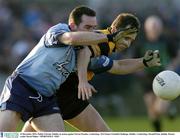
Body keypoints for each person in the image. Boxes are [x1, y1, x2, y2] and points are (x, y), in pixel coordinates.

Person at [21, 13, 161, 132]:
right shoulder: (102, 39)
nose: (127, 44)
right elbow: (84, 51)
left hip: (70, 94)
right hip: (59, 90)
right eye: (126, 38)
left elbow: (118, 66)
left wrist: (143, 62)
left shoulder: (108, 44)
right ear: (114, 29)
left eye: (131, 40)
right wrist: (83, 81)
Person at [0, 6, 126, 132]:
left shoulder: (84, 49)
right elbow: (71, 39)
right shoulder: (60, 29)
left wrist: (143, 62)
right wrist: (110, 37)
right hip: (22, 86)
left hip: (45, 98)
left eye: (94, 28)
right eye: (87, 27)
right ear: (72, 25)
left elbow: (116, 65)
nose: (92, 32)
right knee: (5, 133)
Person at [134, 15, 178, 131]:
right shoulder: (141, 43)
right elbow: (133, 60)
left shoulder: (166, 40)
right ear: (147, 28)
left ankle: (169, 110)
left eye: (157, 28)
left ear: (160, 28)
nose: (154, 30)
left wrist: (171, 66)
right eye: (152, 28)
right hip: (147, 79)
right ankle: (158, 133)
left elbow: (176, 56)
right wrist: (139, 70)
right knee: (152, 110)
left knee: (160, 108)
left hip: (163, 77)